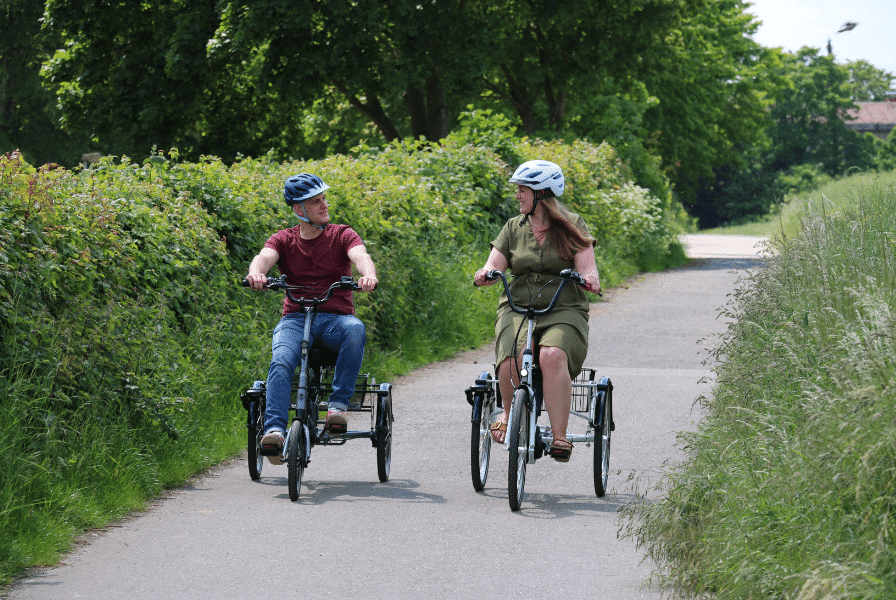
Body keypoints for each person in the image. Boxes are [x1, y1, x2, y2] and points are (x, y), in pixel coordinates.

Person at [473, 160, 600, 462]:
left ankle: (560, 437)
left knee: (551, 355)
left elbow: (589, 270)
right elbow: (494, 263)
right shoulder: (513, 228)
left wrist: (590, 280)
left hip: (563, 306)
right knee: (511, 357)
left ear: (541, 194)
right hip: (519, 306)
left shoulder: (572, 226)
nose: (517, 196)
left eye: (522, 190)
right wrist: (486, 272)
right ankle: (506, 412)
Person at [245, 173, 378, 462]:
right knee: (281, 360)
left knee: (355, 329)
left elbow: (361, 255)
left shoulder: (342, 234)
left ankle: (337, 408)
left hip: (335, 319)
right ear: (298, 209)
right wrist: (257, 273)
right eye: (316, 202)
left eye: (323, 199)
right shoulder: (284, 239)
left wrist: (368, 275)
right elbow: (264, 257)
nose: (324, 205)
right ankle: (275, 432)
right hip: (295, 319)